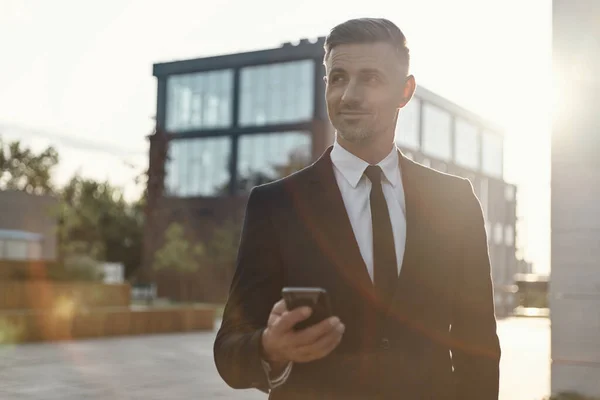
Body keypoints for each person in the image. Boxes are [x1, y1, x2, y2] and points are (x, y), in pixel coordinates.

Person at [213, 17, 501, 400]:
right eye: (338, 77)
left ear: (405, 91)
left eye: (371, 78)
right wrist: (269, 347)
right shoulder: (275, 205)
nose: (349, 95)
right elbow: (229, 347)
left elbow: (477, 346)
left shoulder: (455, 201)